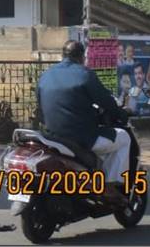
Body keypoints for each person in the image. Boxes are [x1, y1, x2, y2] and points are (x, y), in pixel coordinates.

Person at [37, 40, 130, 202]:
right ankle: (111, 185)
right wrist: (121, 115)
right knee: (123, 138)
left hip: (50, 136)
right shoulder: (85, 74)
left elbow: (40, 107)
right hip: (80, 138)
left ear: (63, 55)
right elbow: (106, 101)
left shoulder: (46, 75)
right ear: (82, 57)